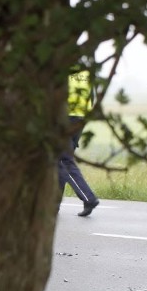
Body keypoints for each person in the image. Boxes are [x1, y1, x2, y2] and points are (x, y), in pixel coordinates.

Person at [58, 67, 99, 217]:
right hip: (81, 119)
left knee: (63, 161)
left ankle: (89, 198)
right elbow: (92, 97)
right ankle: (54, 205)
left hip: (65, 119)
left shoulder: (62, 67)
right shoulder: (86, 71)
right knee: (60, 162)